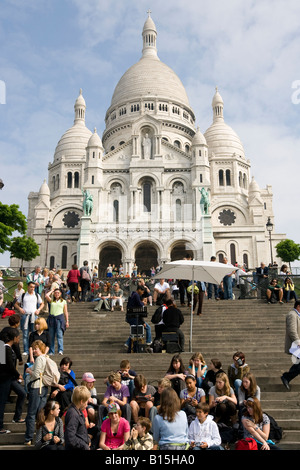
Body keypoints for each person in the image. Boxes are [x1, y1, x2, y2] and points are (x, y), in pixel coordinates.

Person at [0, 328, 26, 434]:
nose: (19, 339)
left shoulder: (9, 348)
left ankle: (17, 417)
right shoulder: (5, 349)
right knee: (1, 403)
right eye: (18, 337)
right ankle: (0, 426)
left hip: (11, 378)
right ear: (14, 338)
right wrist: (18, 374)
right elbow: (9, 366)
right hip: (5, 379)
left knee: (22, 393)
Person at [24, 340, 49, 445]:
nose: (34, 351)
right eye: (33, 349)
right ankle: (42, 436)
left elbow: (36, 375)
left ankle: (29, 438)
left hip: (36, 387)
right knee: (40, 414)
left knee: (31, 414)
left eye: (36, 349)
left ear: (41, 349)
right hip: (44, 388)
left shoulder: (39, 359)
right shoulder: (46, 358)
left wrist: (29, 371)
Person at [14, 281, 44, 356]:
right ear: (28, 287)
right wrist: (20, 309)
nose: (32, 288)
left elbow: (42, 303)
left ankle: (35, 349)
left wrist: (39, 309)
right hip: (25, 315)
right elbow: (16, 304)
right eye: (31, 287)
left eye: (34, 287)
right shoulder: (23, 295)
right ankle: (26, 350)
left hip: (34, 316)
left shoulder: (36, 295)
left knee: (35, 333)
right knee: (25, 334)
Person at [64, 385, 91, 450]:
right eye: (86, 401)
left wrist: (88, 439)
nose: (87, 404)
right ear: (81, 401)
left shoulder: (79, 411)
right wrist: (84, 446)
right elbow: (71, 437)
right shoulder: (73, 414)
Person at [281, 300, 300, 391]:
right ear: (298, 306)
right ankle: (286, 377)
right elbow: (292, 330)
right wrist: (298, 342)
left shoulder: (297, 315)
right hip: (296, 344)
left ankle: (286, 377)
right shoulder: (292, 315)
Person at [125, 285, 152, 349]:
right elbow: (139, 305)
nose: (142, 292)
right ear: (139, 289)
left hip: (130, 315)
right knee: (147, 328)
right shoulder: (136, 295)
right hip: (134, 316)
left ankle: (127, 343)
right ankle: (148, 342)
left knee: (135, 330)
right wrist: (143, 303)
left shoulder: (132, 294)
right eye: (142, 291)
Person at [45, 287, 69, 355]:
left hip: (59, 319)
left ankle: (60, 350)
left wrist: (67, 321)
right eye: (55, 293)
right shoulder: (52, 300)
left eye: (58, 293)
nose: (57, 294)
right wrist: (52, 290)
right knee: (51, 336)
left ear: (60, 294)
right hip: (52, 319)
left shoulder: (63, 301)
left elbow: (65, 311)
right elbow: (46, 296)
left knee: (59, 335)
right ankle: (51, 351)